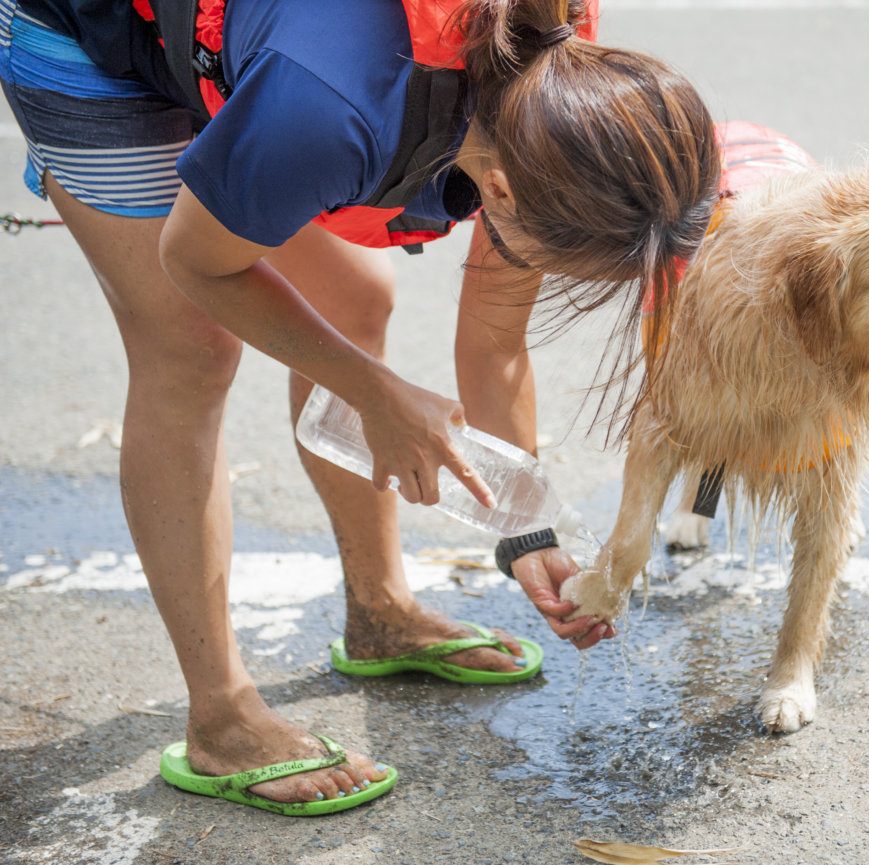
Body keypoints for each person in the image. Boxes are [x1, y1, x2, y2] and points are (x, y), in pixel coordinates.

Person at [0, 0, 719, 814]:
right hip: (90, 31)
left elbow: (496, 344)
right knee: (191, 348)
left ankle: (379, 611)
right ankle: (221, 717)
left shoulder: (554, 74)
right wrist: (376, 394)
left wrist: (525, 530)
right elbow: (196, 260)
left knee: (353, 299)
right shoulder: (334, 111)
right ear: (505, 190)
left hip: (272, 56)